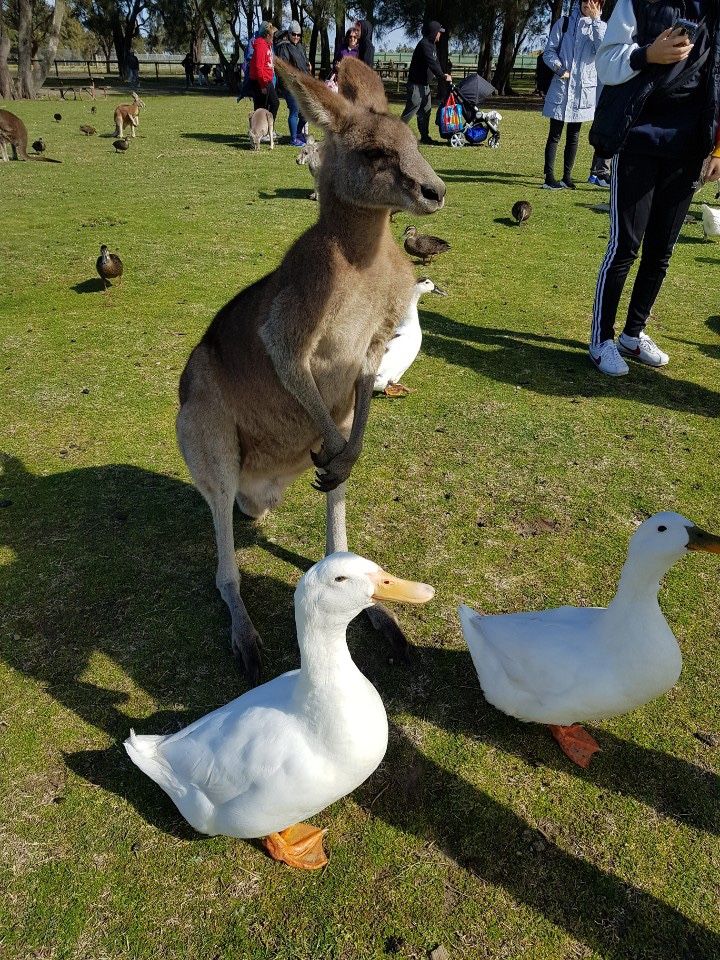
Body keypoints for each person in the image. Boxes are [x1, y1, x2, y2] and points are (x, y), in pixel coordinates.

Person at [588, 0, 720, 376]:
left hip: (690, 148)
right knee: (625, 246)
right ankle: (601, 339)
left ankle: (633, 333)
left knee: (662, 250)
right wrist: (647, 54)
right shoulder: (638, 3)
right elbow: (606, 62)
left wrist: (718, 147)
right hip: (638, 142)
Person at [542, 0, 606, 189]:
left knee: (574, 136)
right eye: (585, 0)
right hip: (562, 87)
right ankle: (549, 177)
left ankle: (567, 177)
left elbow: (602, 50)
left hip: (582, 91)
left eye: (593, 1)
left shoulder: (602, 27)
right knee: (554, 134)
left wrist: (595, 22)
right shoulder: (564, 23)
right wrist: (559, 69)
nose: (588, 4)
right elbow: (549, 52)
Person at [400, 20, 453, 146]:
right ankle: (395, 135)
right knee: (412, 109)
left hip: (425, 85)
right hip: (416, 85)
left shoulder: (432, 45)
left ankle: (424, 137)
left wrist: (442, 73)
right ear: (434, 32)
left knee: (426, 110)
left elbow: (436, 62)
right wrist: (442, 76)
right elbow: (431, 62)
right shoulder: (424, 45)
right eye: (439, 32)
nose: (440, 35)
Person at [275, 21, 310, 145]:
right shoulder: (284, 46)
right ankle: (293, 139)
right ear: (289, 33)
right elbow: (284, 66)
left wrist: (307, 66)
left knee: (306, 113)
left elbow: (303, 62)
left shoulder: (299, 46)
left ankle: (298, 132)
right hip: (290, 85)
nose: (296, 37)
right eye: (294, 34)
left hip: (302, 84)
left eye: (298, 35)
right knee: (294, 110)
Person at [249, 21, 279, 120]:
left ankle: (267, 129)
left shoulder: (267, 46)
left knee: (269, 105)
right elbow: (259, 67)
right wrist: (262, 85)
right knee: (263, 107)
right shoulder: (261, 45)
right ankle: (260, 130)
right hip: (261, 81)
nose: (274, 38)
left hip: (267, 80)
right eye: (272, 36)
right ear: (267, 35)